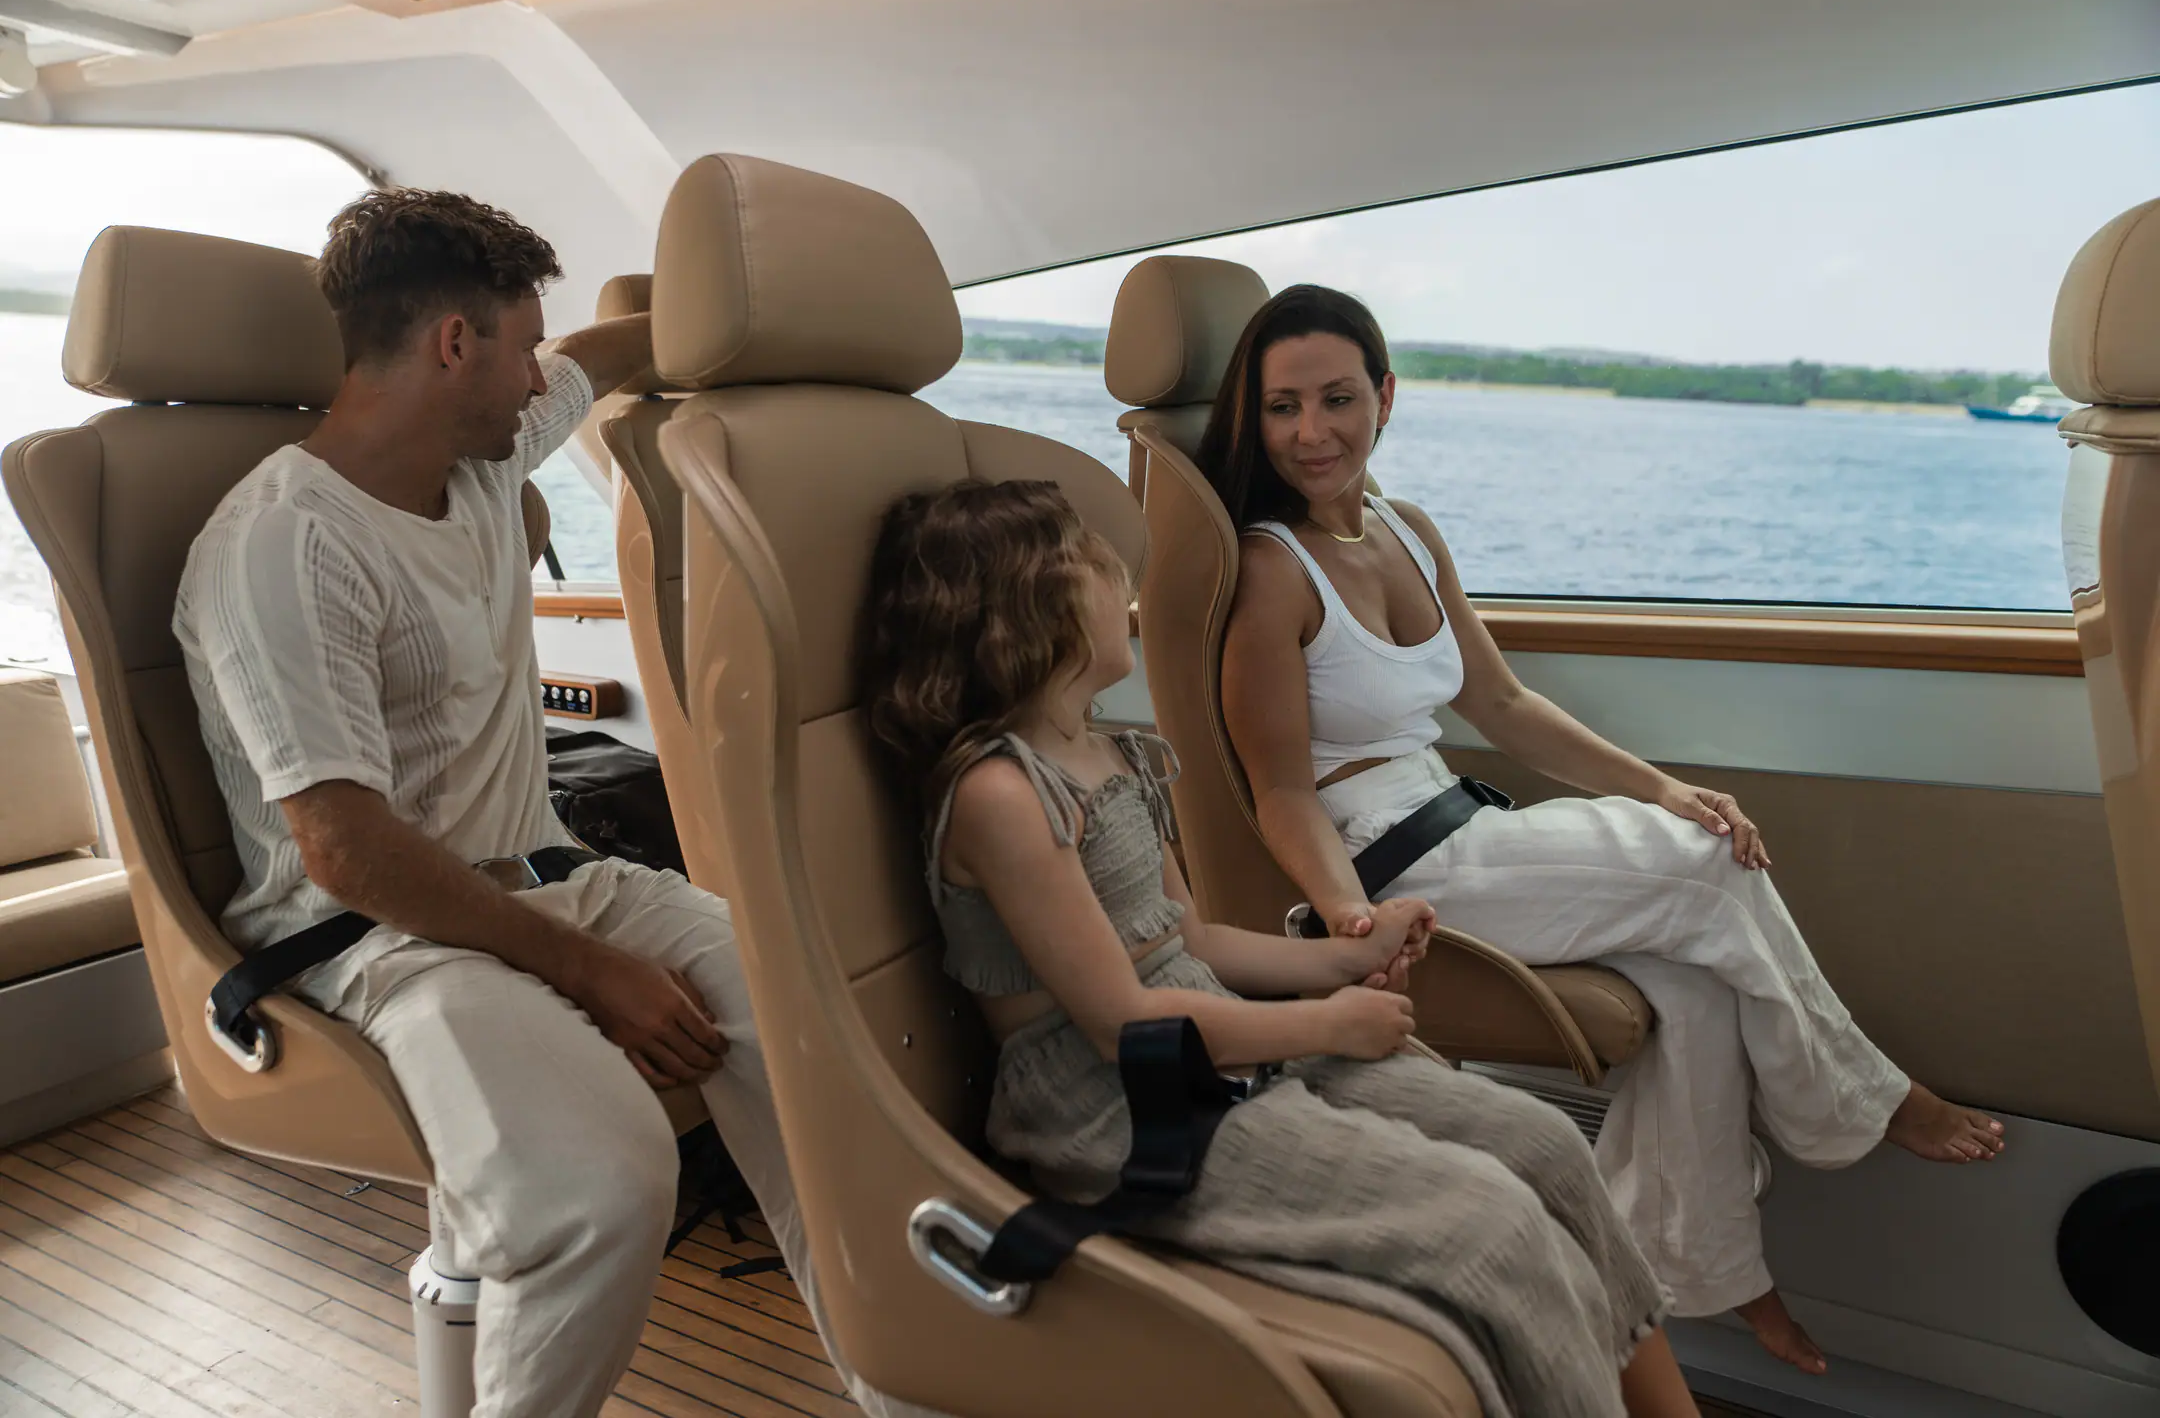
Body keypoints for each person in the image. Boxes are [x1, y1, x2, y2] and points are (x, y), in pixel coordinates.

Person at [173, 189, 924, 1418]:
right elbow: (346, 850)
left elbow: (597, 357)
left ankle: (910, 1386)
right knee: (599, 1190)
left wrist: (735, 313)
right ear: (452, 345)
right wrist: (589, 970)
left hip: (549, 875)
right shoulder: (284, 546)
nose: (538, 383)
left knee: (827, 1060)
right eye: (520, 348)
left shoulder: (478, 458)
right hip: (375, 941)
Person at [1195, 283, 2007, 1374]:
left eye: (1337, 399)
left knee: (1695, 992)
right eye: (1282, 407)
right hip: (1392, 867)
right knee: (1707, 866)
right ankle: (1869, 1098)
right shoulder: (1268, 566)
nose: (1311, 432)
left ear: (1386, 396)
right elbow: (1282, 791)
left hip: (1456, 823)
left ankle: (1704, 1277)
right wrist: (1351, 921)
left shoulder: (1406, 530)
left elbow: (1502, 703)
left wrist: (1662, 787)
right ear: (1252, 417)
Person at [862, 477, 1704, 1418]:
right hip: (1113, 1102)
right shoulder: (1001, 795)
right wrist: (1328, 1026)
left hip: (1208, 1039)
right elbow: (1122, 1026)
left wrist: (1344, 959)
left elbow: (1192, 941)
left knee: (1545, 1146)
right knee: (1491, 1227)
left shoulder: (1108, 753)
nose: (1119, 583)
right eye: (1096, 567)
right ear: (1034, 608)